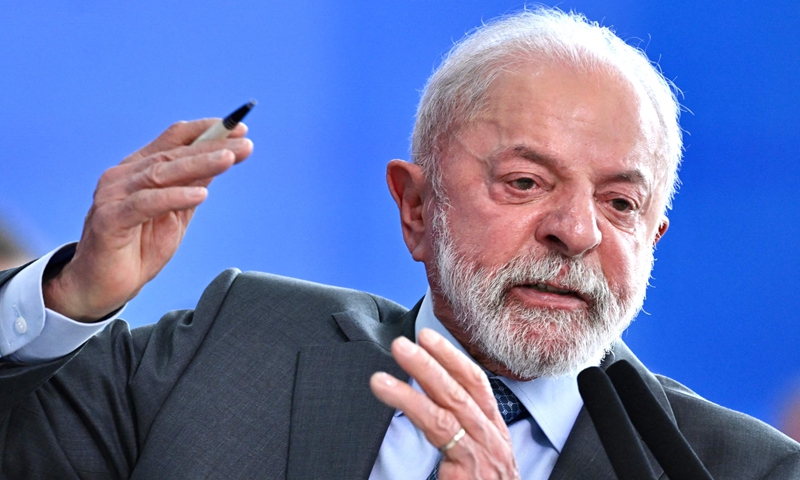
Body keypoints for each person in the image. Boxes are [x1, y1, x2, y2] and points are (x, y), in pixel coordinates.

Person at [1, 8, 798, 479]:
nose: (577, 231)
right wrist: (72, 299)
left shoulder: (739, 469)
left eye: (621, 202)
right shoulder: (233, 344)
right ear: (416, 208)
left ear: (653, 238)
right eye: (525, 183)